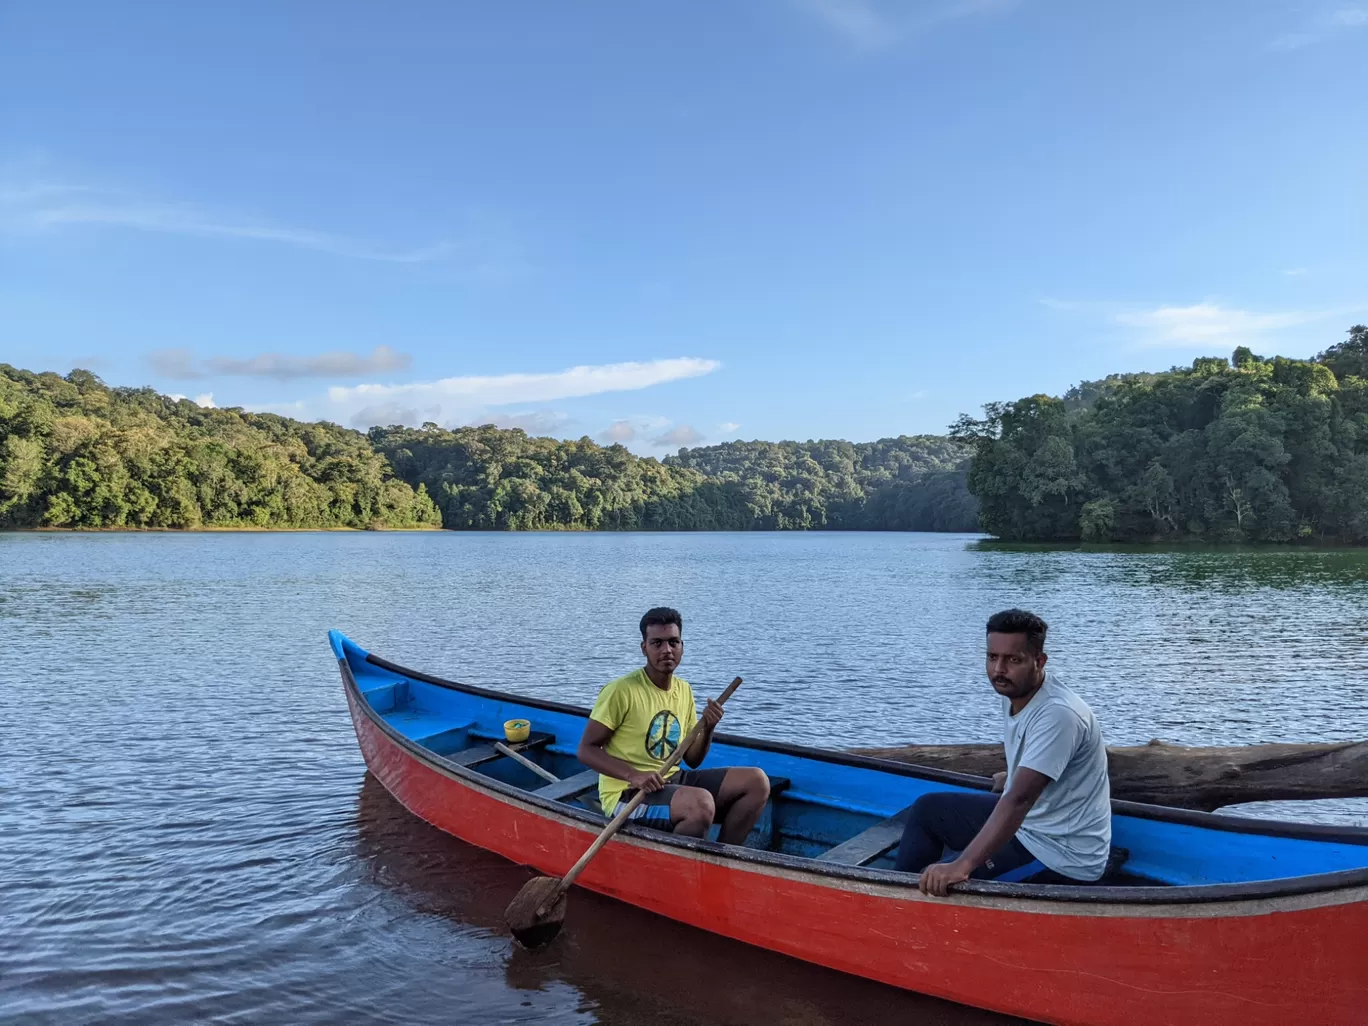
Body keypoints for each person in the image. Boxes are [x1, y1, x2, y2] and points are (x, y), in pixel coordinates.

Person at [895, 609, 1111, 895]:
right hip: (1034, 824)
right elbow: (1040, 767)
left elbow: (1019, 800)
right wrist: (1015, 774)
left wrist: (963, 865)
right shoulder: (1017, 691)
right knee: (929, 809)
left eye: (1013, 660)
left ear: (1040, 661)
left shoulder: (1059, 714)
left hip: (1059, 852)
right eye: (992, 657)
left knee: (943, 880)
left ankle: (903, 907)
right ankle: (897, 900)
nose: (999, 669)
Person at [575, 607, 771, 844]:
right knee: (700, 804)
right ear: (644, 648)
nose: (666, 650)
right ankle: (679, 869)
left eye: (673, 642)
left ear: (682, 646)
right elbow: (586, 750)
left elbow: (692, 759)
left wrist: (708, 728)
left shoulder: (683, 690)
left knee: (756, 781)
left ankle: (722, 859)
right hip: (628, 794)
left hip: (672, 779)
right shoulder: (621, 691)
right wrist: (635, 776)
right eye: (657, 643)